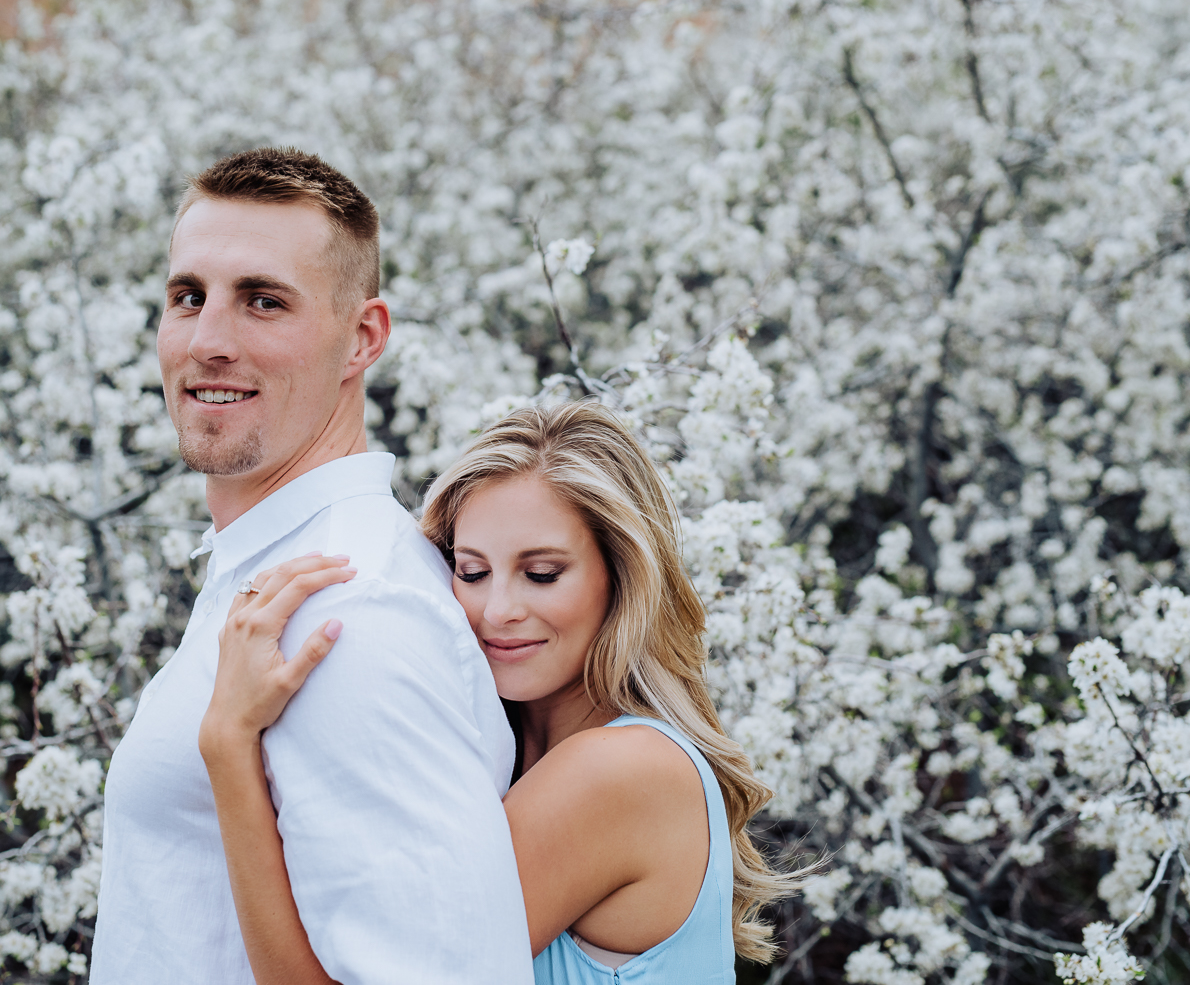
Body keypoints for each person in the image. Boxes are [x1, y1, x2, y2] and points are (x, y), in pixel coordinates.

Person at [90, 148, 533, 984]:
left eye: (263, 302)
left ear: (361, 338)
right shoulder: (273, 573)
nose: (208, 340)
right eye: (188, 297)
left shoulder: (349, 614)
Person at [199, 401, 802, 984]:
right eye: (472, 571)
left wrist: (228, 743)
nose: (499, 610)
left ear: (621, 578)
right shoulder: (505, 757)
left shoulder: (620, 771)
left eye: (542, 574)